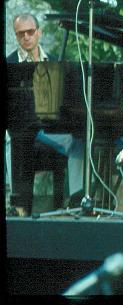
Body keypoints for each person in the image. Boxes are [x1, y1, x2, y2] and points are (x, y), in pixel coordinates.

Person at [6, 13, 85, 215]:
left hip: (48, 128)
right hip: (20, 127)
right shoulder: (9, 64)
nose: (26, 37)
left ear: (39, 32)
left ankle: (77, 202)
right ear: (16, 36)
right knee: (11, 140)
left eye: (30, 32)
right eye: (21, 33)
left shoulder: (55, 62)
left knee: (78, 142)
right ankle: (18, 204)